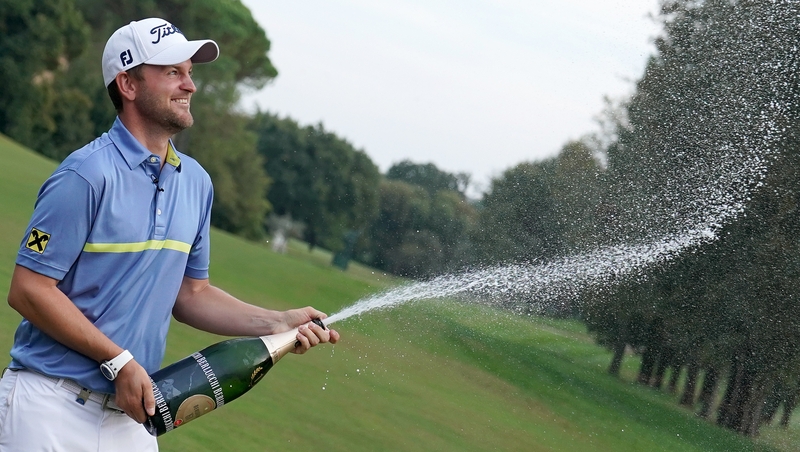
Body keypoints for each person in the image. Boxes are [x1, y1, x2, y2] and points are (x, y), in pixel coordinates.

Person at [0, 17, 339, 451]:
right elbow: (28, 289)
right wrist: (119, 362)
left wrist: (276, 321)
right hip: (48, 406)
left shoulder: (196, 183)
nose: (190, 86)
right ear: (128, 84)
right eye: (173, 73)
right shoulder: (85, 175)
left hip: (132, 419)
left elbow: (192, 294)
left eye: (190, 73)